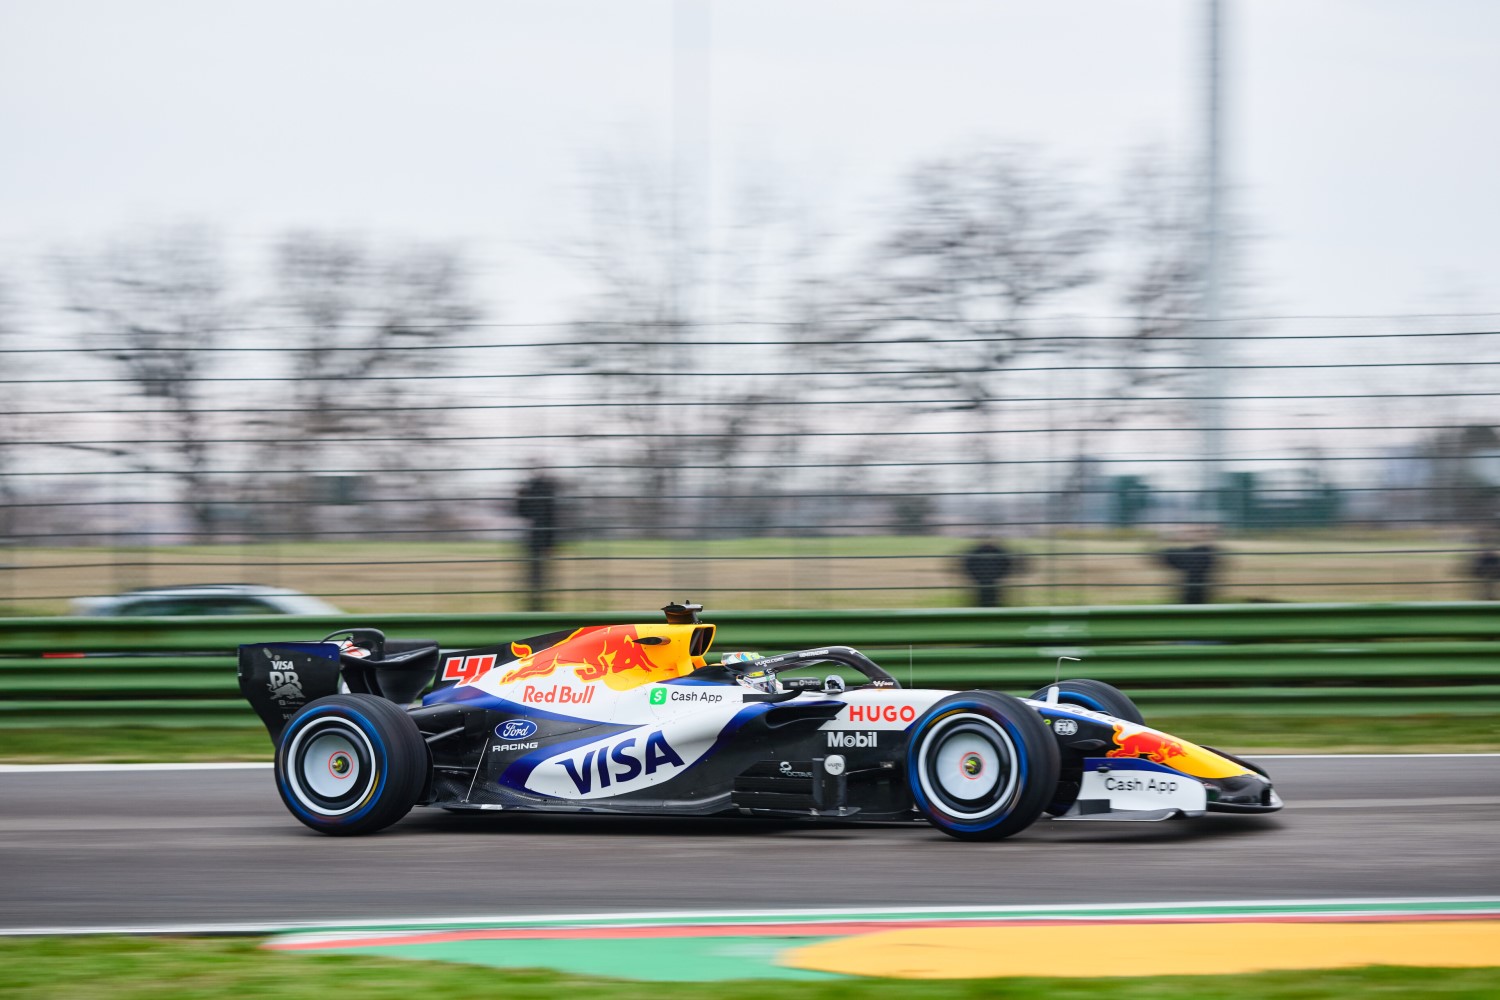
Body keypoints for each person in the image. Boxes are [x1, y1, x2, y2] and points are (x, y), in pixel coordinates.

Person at [514, 468, 560, 611]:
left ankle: (535, 603)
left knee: (536, 573)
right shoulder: (544, 490)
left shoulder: (538, 490)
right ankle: (538, 602)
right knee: (538, 573)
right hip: (538, 537)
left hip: (535, 538)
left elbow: (523, 513)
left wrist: (520, 497)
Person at [1158, 530, 1221, 605]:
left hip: (1191, 593)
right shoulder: (1207, 553)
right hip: (1200, 592)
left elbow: (1170, 555)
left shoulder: (1194, 554)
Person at [961, 541, 1025, 607]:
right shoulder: (981, 552)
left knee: (990, 594)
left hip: (989, 580)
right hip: (986, 580)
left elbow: (1006, 564)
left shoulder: (980, 552)